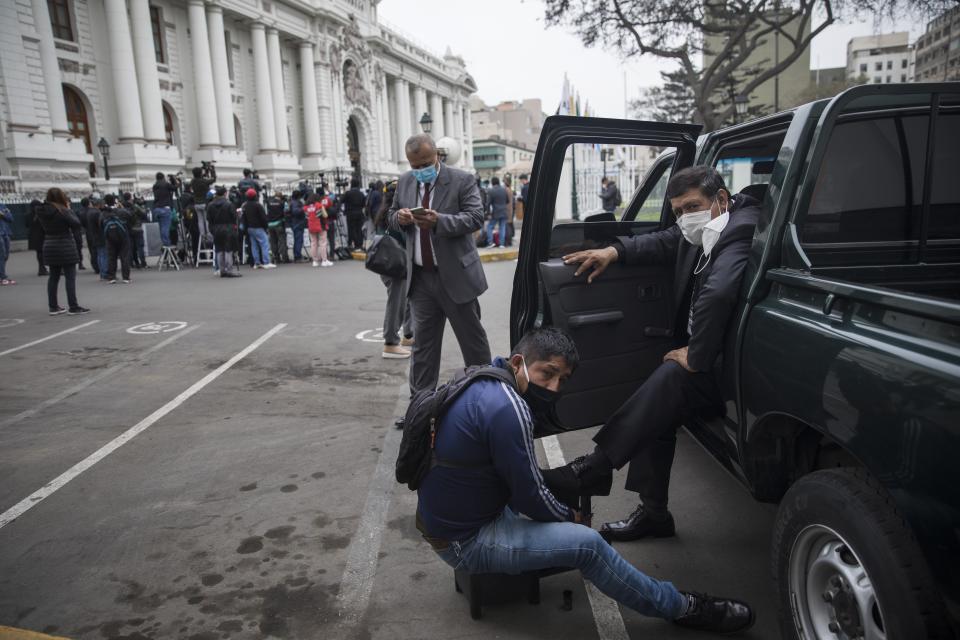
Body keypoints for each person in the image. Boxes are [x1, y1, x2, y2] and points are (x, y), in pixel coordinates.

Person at [417, 327, 755, 634]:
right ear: (519, 362)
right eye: (547, 374)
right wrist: (571, 520)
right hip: (467, 541)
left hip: (454, 518)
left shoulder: (483, 378)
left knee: (556, 490)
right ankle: (680, 607)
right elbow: (528, 496)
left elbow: (518, 479)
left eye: (562, 380)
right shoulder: (510, 409)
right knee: (588, 546)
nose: (553, 388)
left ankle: (595, 557)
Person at [554, 166, 761, 541]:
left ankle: (597, 467)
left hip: (731, 363)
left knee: (670, 378)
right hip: (707, 352)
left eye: (692, 207)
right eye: (679, 210)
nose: (685, 218)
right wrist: (613, 250)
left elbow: (718, 293)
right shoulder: (700, 227)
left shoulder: (742, 226)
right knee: (658, 402)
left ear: (722, 199)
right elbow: (664, 241)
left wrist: (696, 356)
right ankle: (653, 513)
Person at [388, 133, 491, 397]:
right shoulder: (405, 182)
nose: (420, 170)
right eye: (415, 166)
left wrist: (440, 221)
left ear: (436, 155)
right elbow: (390, 217)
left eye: (425, 163)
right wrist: (399, 218)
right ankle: (420, 405)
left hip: (456, 277)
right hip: (421, 279)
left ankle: (485, 399)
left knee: (473, 344)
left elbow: (476, 217)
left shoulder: (461, 180)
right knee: (423, 348)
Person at [373, 180, 413, 359]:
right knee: (396, 303)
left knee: (405, 300)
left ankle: (408, 335)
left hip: (391, 263)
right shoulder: (395, 215)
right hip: (395, 264)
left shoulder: (384, 212)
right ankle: (390, 343)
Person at [39, 188, 89, 315]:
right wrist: (68, 208)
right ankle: (73, 306)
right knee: (70, 277)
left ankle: (53, 306)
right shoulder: (63, 210)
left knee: (53, 277)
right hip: (64, 244)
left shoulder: (42, 210)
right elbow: (76, 223)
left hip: (49, 244)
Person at [206, 186, 241, 278]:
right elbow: (234, 217)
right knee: (228, 249)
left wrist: (212, 229)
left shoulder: (210, 205)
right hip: (228, 227)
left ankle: (222, 270)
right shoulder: (229, 204)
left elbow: (209, 219)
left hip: (216, 228)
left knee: (219, 249)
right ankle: (229, 269)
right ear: (225, 193)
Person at [100, 194, 133, 284]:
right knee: (124, 257)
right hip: (123, 236)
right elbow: (130, 216)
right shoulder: (120, 211)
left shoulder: (104, 213)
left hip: (110, 238)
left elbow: (100, 224)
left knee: (111, 257)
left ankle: (111, 277)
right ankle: (126, 277)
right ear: (115, 201)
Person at [241, 188, 273, 269]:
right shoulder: (258, 205)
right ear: (255, 196)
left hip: (249, 228)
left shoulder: (245, 205)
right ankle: (266, 262)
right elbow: (263, 218)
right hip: (258, 227)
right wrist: (266, 227)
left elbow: (243, 218)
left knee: (254, 245)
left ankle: (257, 262)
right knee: (264, 244)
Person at [305, 194, 332, 267]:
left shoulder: (306, 207)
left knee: (313, 243)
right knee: (323, 243)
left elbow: (307, 217)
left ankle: (315, 261)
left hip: (311, 227)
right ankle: (324, 260)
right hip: (321, 226)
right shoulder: (319, 205)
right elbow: (325, 215)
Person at [123, 192, 148, 269]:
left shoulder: (122, 207)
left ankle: (133, 263)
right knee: (140, 246)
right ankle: (143, 263)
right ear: (130, 198)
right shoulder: (135, 206)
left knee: (131, 247)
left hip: (128, 229)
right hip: (137, 228)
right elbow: (143, 214)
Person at [152, 172, 177, 247]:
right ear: (163, 177)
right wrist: (175, 180)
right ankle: (167, 244)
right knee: (166, 228)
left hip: (156, 209)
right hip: (165, 209)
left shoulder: (155, 185)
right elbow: (175, 187)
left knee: (162, 227)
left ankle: (164, 243)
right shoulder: (165, 184)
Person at [342, 178, 366, 251]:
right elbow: (364, 204)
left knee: (351, 229)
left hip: (350, 214)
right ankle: (359, 244)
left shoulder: (348, 193)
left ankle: (351, 243)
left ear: (351, 184)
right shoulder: (361, 194)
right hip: (359, 213)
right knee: (359, 229)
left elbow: (341, 200)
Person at [485, 176, 509, 248]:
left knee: (489, 227)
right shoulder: (504, 190)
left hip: (495, 212)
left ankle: (490, 242)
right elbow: (507, 201)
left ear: (492, 182)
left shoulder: (491, 191)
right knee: (502, 227)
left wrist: (488, 213)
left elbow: (488, 203)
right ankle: (501, 244)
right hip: (504, 211)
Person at [80, 196, 102, 276]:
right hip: (95, 232)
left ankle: (95, 266)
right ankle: (99, 266)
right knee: (98, 250)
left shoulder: (81, 212)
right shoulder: (93, 212)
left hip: (88, 232)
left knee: (92, 250)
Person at [266, 191, 289, 264]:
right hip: (279, 224)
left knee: (273, 242)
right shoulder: (283, 203)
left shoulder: (268, 203)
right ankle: (285, 258)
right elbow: (287, 211)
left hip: (270, 225)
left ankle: (276, 258)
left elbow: (266, 213)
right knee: (282, 241)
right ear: (281, 196)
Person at [26, 199, 47, 276]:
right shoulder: (41, 214)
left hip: (32, 236)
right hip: (41, 235)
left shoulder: (28, 215)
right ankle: (42, 269)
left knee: (39, 253)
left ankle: (41, 268)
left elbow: (26, 225)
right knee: (42, 253)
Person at [288, 190, 307, 262]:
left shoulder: (292, 202)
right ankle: (297, 256)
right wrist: (303, 208)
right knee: (299, 240)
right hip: (298, 223)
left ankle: (297, 255)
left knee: (297, 240)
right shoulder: (295, 203)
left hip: (296, 223)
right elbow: (295, 211)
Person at [0, 203, 13, 285]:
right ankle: (3, 276)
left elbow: (11, 219)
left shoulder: (3, 206)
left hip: (6, 233)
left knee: (6, 255)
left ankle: (2, 274)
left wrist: (2, 215)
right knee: (2, 253)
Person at [503, 175, 516, 247]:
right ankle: (509, 239)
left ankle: (508, 241)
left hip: (507, 210)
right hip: (511, 209)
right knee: (509, 224)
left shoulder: (506, 190)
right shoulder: (510, 189)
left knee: (507, 225)